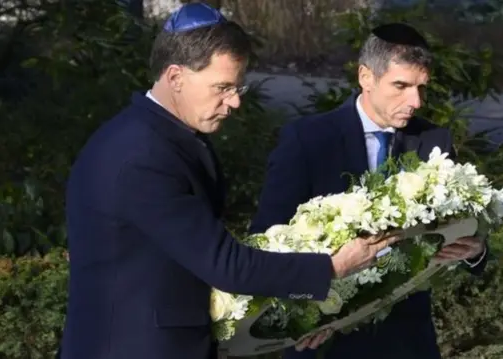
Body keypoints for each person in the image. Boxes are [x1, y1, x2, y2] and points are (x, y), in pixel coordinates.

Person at [56, 4, 398, 359]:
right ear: (175, 77)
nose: (234, 101)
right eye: (222, 87)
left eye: (238, 88)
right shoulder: (141, 157)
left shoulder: (156, 137)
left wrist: (296, 318)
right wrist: (332, 267)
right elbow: (226, 265)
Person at [249, 23, 489, 359]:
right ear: (366, 77)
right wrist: (297, 314)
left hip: (408, 341)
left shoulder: (435, 141)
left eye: (421, 87)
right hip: (324, 341)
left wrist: (474, 248)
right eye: (401, 86)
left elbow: (462, 229)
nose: (415, 101)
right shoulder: (307, 140)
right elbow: (266, 238)